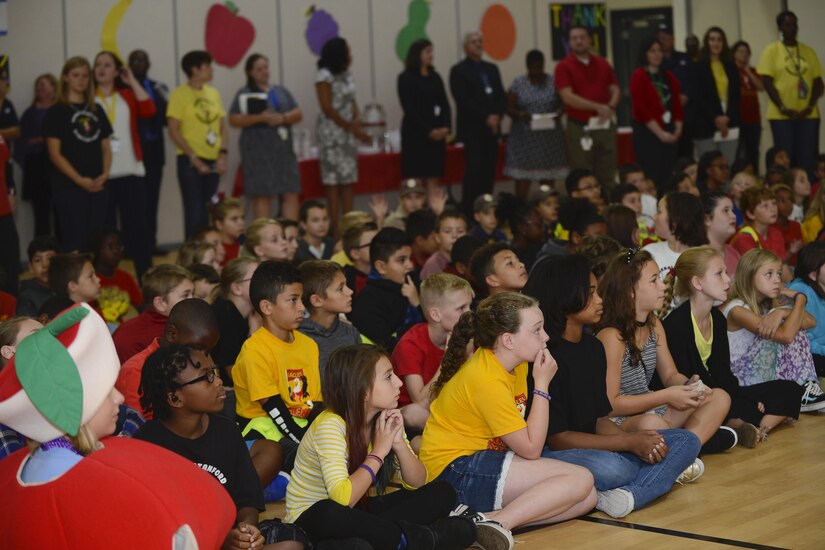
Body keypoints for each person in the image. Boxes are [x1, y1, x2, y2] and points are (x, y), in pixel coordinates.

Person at [0, 304, 236, 548]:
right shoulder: (92, 479)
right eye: (105, 393)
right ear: (75, 409)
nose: (119, 398)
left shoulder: (21, 469)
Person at [525, 256, 702, 519]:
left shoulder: (592, 348)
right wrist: (628, 442)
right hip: (556, 451)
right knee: (615, 468)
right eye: (592, 293)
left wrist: (634, 442)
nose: (600, 301)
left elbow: (599, 418)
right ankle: (644, 481)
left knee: (687, 440)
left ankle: (626, 495)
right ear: (564, 295)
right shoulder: (544, 355)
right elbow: (559, 438)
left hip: (595, 443)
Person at [421, 292, 598, 533]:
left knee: (588, 498)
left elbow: (526, 443)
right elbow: (532, 449)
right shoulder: (487, 380)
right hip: (453, 472)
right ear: (508, 340)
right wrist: (542, 386)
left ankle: (478, 520)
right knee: (581, 480)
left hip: (481, 461)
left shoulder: (518, 363)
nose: (546, 337)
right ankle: (499, 524)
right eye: (536, 330)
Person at [285, 344, 484, 550]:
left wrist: (398, 443)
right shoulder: (331, 424)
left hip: (358, 516)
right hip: (313, 524)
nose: (398, 383)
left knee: (442, 492)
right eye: (388, 377)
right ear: (362, 390)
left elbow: (418, 482)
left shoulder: (384, 418)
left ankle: (394, 539)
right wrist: (379, 452)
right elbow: (341, 500)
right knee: (329, 514)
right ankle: (420, 539)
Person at [135, 345, 304, 549]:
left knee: (292, 543)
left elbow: (247, 499)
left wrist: (245, 532)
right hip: (182, 542)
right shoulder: (147, 446)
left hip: (227, 536)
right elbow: (157, 524)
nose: (219, 382)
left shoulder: (226, 431)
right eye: (206, 377)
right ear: (175, 398)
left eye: (214, 372)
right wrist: (220, 542)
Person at [595, 249, 734, 455]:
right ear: (631, 290)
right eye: (654, 281)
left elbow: (669, 375)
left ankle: (683, 453)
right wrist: (667, 395)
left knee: (720, 397)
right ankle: (688, 448)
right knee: (651, 423)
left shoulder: (654, 324)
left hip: (651, 409)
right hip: (618, 420)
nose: (662, 286)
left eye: (660, 278)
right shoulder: (611, 336)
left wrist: (687, 386)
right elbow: (611, 404)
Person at [664, 247, 804, 446]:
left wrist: (745, 398)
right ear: (697, 282)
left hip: (718, 393)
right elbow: (687, 380)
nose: (728, 280)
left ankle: (744, 427)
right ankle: (736, 426)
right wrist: (740, 401)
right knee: (726, 404)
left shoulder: (717, 319)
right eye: (719, 274)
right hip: (691, 399)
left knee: (790, 389)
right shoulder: (676, 325)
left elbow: (723, 374)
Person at [233, 261, 323, 471]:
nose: (302, 307)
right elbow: (273, 408)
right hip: (265, 428)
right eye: (293, 300)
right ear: (267, 307)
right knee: (310, 458)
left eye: (301, 299)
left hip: (300, 422)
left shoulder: (309, 345)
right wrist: (304, 441)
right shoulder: (254, 350)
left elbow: (315, 402)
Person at [722, 249, 825, 412]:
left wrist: (782, 311)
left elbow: (811, 322)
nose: (777, 280)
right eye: (768, 274)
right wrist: (800, 299)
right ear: (749, 276)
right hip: (740, 376)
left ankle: (805, 386)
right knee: (791, 328)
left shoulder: (768, 307)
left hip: (759, 370)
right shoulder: (737, 309)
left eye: (778, 274)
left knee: (793, 323)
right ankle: (803, 391)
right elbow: (786, 336)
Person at [92, 50, 154, 280]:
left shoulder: (126, 94)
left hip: (130, 171)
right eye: (98, 64)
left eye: (107, 64)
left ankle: (147, 282)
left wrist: (131, 80)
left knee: (137, 231)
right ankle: (107, 286)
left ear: (117, 71)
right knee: (105, 235)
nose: (101, 68)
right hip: (103, 175)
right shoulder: (89, 98)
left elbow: (149, 109)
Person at [43, 56, 112, 253]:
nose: (81, 80)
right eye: (75, 75)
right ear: (65, 78)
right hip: (69, 187)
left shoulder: (96, 109)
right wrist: (79, 180)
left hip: (98, 185)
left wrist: (105, 174)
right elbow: (54, 154)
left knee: (96, 243)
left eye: (85, 75)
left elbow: (106, 146)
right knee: (75, 244)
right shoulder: (57, 111)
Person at [392, 274, 473, 440]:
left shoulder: (467, 338)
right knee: (413, 413)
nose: (469, 313)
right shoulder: (410, 344)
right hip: (413, 418)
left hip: (447, 410)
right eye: (461, 308)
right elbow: (420, 401)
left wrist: (470, 354)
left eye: (470, 306)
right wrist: (449, 356)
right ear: (436, 315)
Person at [116, 297, 220, 415]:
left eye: (208, 350)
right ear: (172, 334)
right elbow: (139, 427)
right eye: (197, 348)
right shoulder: (136, 370)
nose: (203, 356)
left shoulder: (200, 361)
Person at [230, 53, 302, 221]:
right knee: (262, 195)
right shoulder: (244, 93)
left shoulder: (280, 90)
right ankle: (265, 237)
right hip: (257, 153)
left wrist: (282, 118)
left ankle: (291, 233)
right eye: (259, 69)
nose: (264, 72)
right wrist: (260, 118)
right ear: (250, 72)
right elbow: (233, 119)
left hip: (283, 150)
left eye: (266, 67)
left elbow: (298, 112)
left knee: (290, 191)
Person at [167, 50, 227, 239]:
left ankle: (209, 257)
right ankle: (193, 260)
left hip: (213, 158)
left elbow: (222, 127)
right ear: (195, 69)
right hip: (189, 161)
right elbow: (174, 130)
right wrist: (193, 157)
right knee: (194, 211)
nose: (212, 70)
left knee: (211, 209)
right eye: (207, 66)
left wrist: (222, 155)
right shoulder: (179, 94)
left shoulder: (214, 93)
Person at [758, 10, 824, 180]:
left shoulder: (808, 51)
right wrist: (783, 107)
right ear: (780, 27)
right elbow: (767, 82)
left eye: (795, 23)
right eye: (788, 24)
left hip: (808, 115)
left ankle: (809, 199)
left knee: (808, 160)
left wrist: (809, 107)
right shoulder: (771, 50)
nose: (793, 27)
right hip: (781, 116)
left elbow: (818, 82)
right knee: (785, 160)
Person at [555, 25, 620, 190]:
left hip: (604, 124)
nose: (578, 41)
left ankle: (609, 210)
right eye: (574, 38)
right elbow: (567, 97)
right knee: (582, 174)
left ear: (590, 40)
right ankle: (586, 211)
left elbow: (615, 89)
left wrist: (610, 107)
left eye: (582, 37)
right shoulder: (563, 66)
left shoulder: (603, 63)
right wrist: (598, 107)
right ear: (569, 42)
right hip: (579, 126)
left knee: (608, 172)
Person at [316, 37, 369, 233]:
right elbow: (327, 107)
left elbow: (352, 99)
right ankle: (335, 228)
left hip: (348, 133)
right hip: (331, 134)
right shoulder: (323, 75)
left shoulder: (347, 74)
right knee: (333, 181)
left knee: (348, 179)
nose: (350, 53)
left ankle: (349, 224)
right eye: (347, 50)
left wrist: (356, 119)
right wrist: (349, 126)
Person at [450, 31, 506, 215]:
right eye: (473, 42)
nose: (478, 44)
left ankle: (486, 207)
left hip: (492, 129)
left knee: (489, 169)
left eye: (480, 41)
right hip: (473, 128)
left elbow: (500, 95)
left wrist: (497, 115)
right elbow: (464, 100)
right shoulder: (458, 70)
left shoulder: (491, 68)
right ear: (465, 47)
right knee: (474, 168)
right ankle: (469, 209)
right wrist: (486, 117)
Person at [504, 49, 568, 199]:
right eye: (533, 67)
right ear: (527, 66)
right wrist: (520, 114)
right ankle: (520, 213)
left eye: (539, 67)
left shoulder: (553, 81)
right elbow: (508, 107)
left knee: (547, 184)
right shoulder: (518, 83)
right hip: (525, 139)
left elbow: (564, 103)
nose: (537, 71)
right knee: (523, 183)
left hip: (549, 139)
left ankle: (546, 210)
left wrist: (558, 113)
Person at [398, 39, 451, 209]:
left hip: (437, 136)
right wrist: (428, 131)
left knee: (433, 176)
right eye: (427, 51)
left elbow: (445, 104)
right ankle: (414, 213)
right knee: (415, 179)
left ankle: (434, 213)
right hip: (416, 135)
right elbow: (409, 109)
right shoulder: (405, 78)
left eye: (431, 51)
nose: (431, 55)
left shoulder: (435, 77)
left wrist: (446, 127)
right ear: (417, 54)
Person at [350, 228, 423, 351]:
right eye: (401, 260)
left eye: (410, 258)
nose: (410, 265)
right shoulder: (367, 302)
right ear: (381, 267)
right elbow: (385, 347)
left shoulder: (414, 283)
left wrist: (417, 303)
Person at [630, 36, 684, 194]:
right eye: (652, 51)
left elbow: (677, 105)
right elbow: (640, 108)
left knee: (668, 175)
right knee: (651, 174)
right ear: (645, 54)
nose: (657, 54)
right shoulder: (638, 75)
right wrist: (660, 133)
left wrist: (678, 129)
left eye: (659, 50)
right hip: (648, 133)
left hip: (668, 131)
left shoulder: (669, 76)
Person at [128, 49, 168, 255]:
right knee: (133, 202)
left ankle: (150, 243)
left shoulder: (157, 87)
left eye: (142, 60)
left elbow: (166, 117)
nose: (138, 64)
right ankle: (131, 244)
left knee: (152, 199)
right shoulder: (124, 89)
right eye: (134, 61)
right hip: (132, 153)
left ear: (148, 63)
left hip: (154, 152)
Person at [112, 264, 194, 363]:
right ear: (160, 303)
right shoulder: (130, 337)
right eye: (185, 295)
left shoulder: (185, 326)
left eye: (193, 294)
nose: (194, 300)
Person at [297, 260, 361, 377]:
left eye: (346, 285)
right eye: (340, 289)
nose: (350, 291)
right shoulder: (298, 338)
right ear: (317, 300)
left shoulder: (350, 332)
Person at [687, 27, 740, 165]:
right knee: (709, 169)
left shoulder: (731, 66)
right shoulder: (698, 66)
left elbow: (736, 96)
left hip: (729, 123)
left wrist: (727, 118)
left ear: (723, 43)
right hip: (705, 125)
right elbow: (698, 97)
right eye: (712, 39)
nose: (716, 43)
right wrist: (716, 118)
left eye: (719, 39)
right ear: (706, 42)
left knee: (727, 168)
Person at [17, 74, 57, 236]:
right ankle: (42, 255)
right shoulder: (29, 113)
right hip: (36, 169)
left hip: (57, 167)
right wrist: (36, 141)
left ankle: (65, 255)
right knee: (41, 216)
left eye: (44, 85)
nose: (40, 88)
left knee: (61, 212)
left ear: (54, 88)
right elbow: (21, 142)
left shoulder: (60, 110)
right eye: (38, 86)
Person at [643, 191, 708, 284]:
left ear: (675, 220)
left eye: (659, 211)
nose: (654, 217)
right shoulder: (649, 253)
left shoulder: (705, 258)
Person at [788, 242, 825, 377]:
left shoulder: (821, 285)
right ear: (813, 274)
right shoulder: (800, 290)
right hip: (808, 356)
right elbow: (802, 340)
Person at [732, 41, 764, 173]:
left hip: (754, 119)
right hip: (738, 118)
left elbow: (761, 87)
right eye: (740, 51)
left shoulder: (753, 71)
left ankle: (754, 177)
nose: (744, 55)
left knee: (753, 151)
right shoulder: (731, 70)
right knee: (737, 151)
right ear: (734, 54)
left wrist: (747, 70)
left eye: (746, 52)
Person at [16, 236, 58, 316]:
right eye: (38, 260)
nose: (44, 265)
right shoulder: (27, 297)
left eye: (50, 258)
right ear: (31, 267)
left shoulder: (69, 288)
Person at [702, 191, 742, 277]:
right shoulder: (696, 257)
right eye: (726, 211)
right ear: (707, 219)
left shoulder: (734, 254)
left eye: (733, 210)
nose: (733, 216)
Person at [421, 211, 468, 279]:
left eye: (460, 231)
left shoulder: (470, 260)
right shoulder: (433, 265)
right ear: (437, 237)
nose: (454, 236)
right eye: (447, 231)